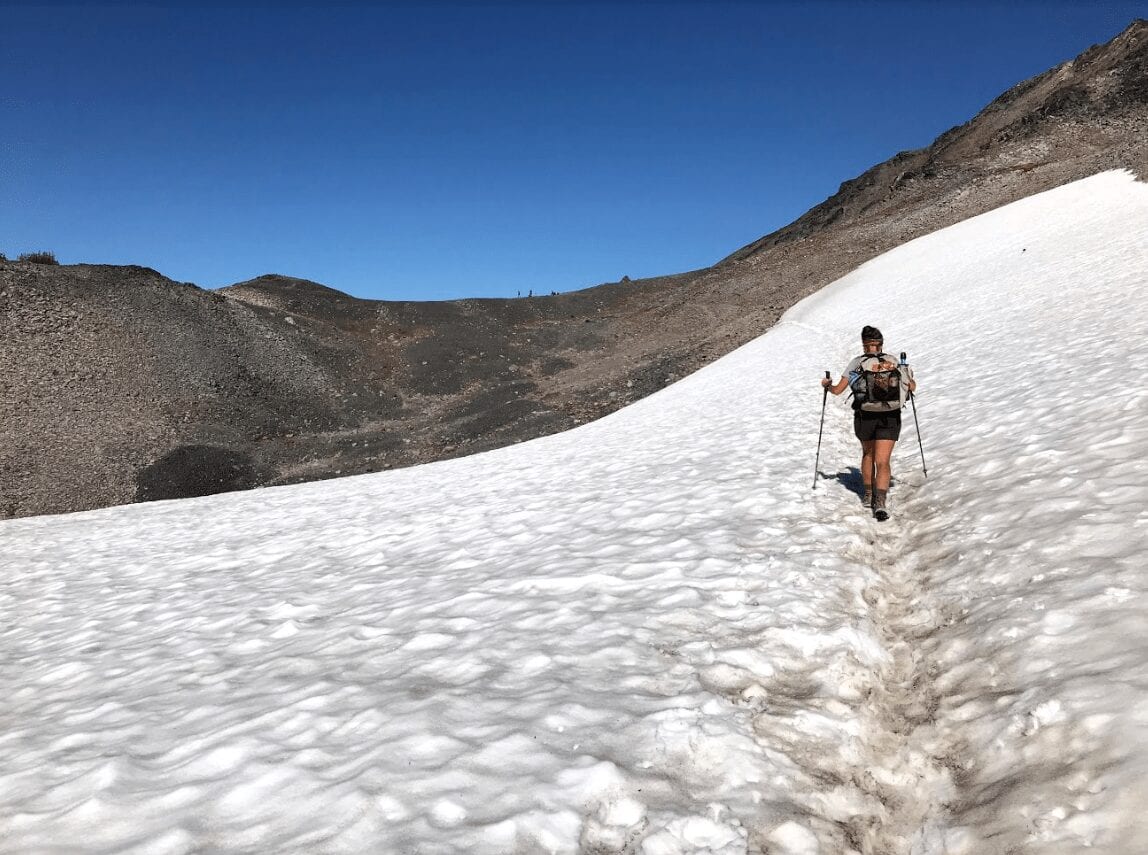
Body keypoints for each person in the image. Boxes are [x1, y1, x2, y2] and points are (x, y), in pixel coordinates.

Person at [821, 326, 916, 519]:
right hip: (890, 415)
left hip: (865, 416)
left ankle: (868, 494)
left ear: (864, 344)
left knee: (868, 454)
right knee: (883, 461)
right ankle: (880, 503)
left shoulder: (857, 363)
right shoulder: (893, 361)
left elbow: (839, 390)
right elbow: (911, 387)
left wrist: (827, 386)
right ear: (881, 344)